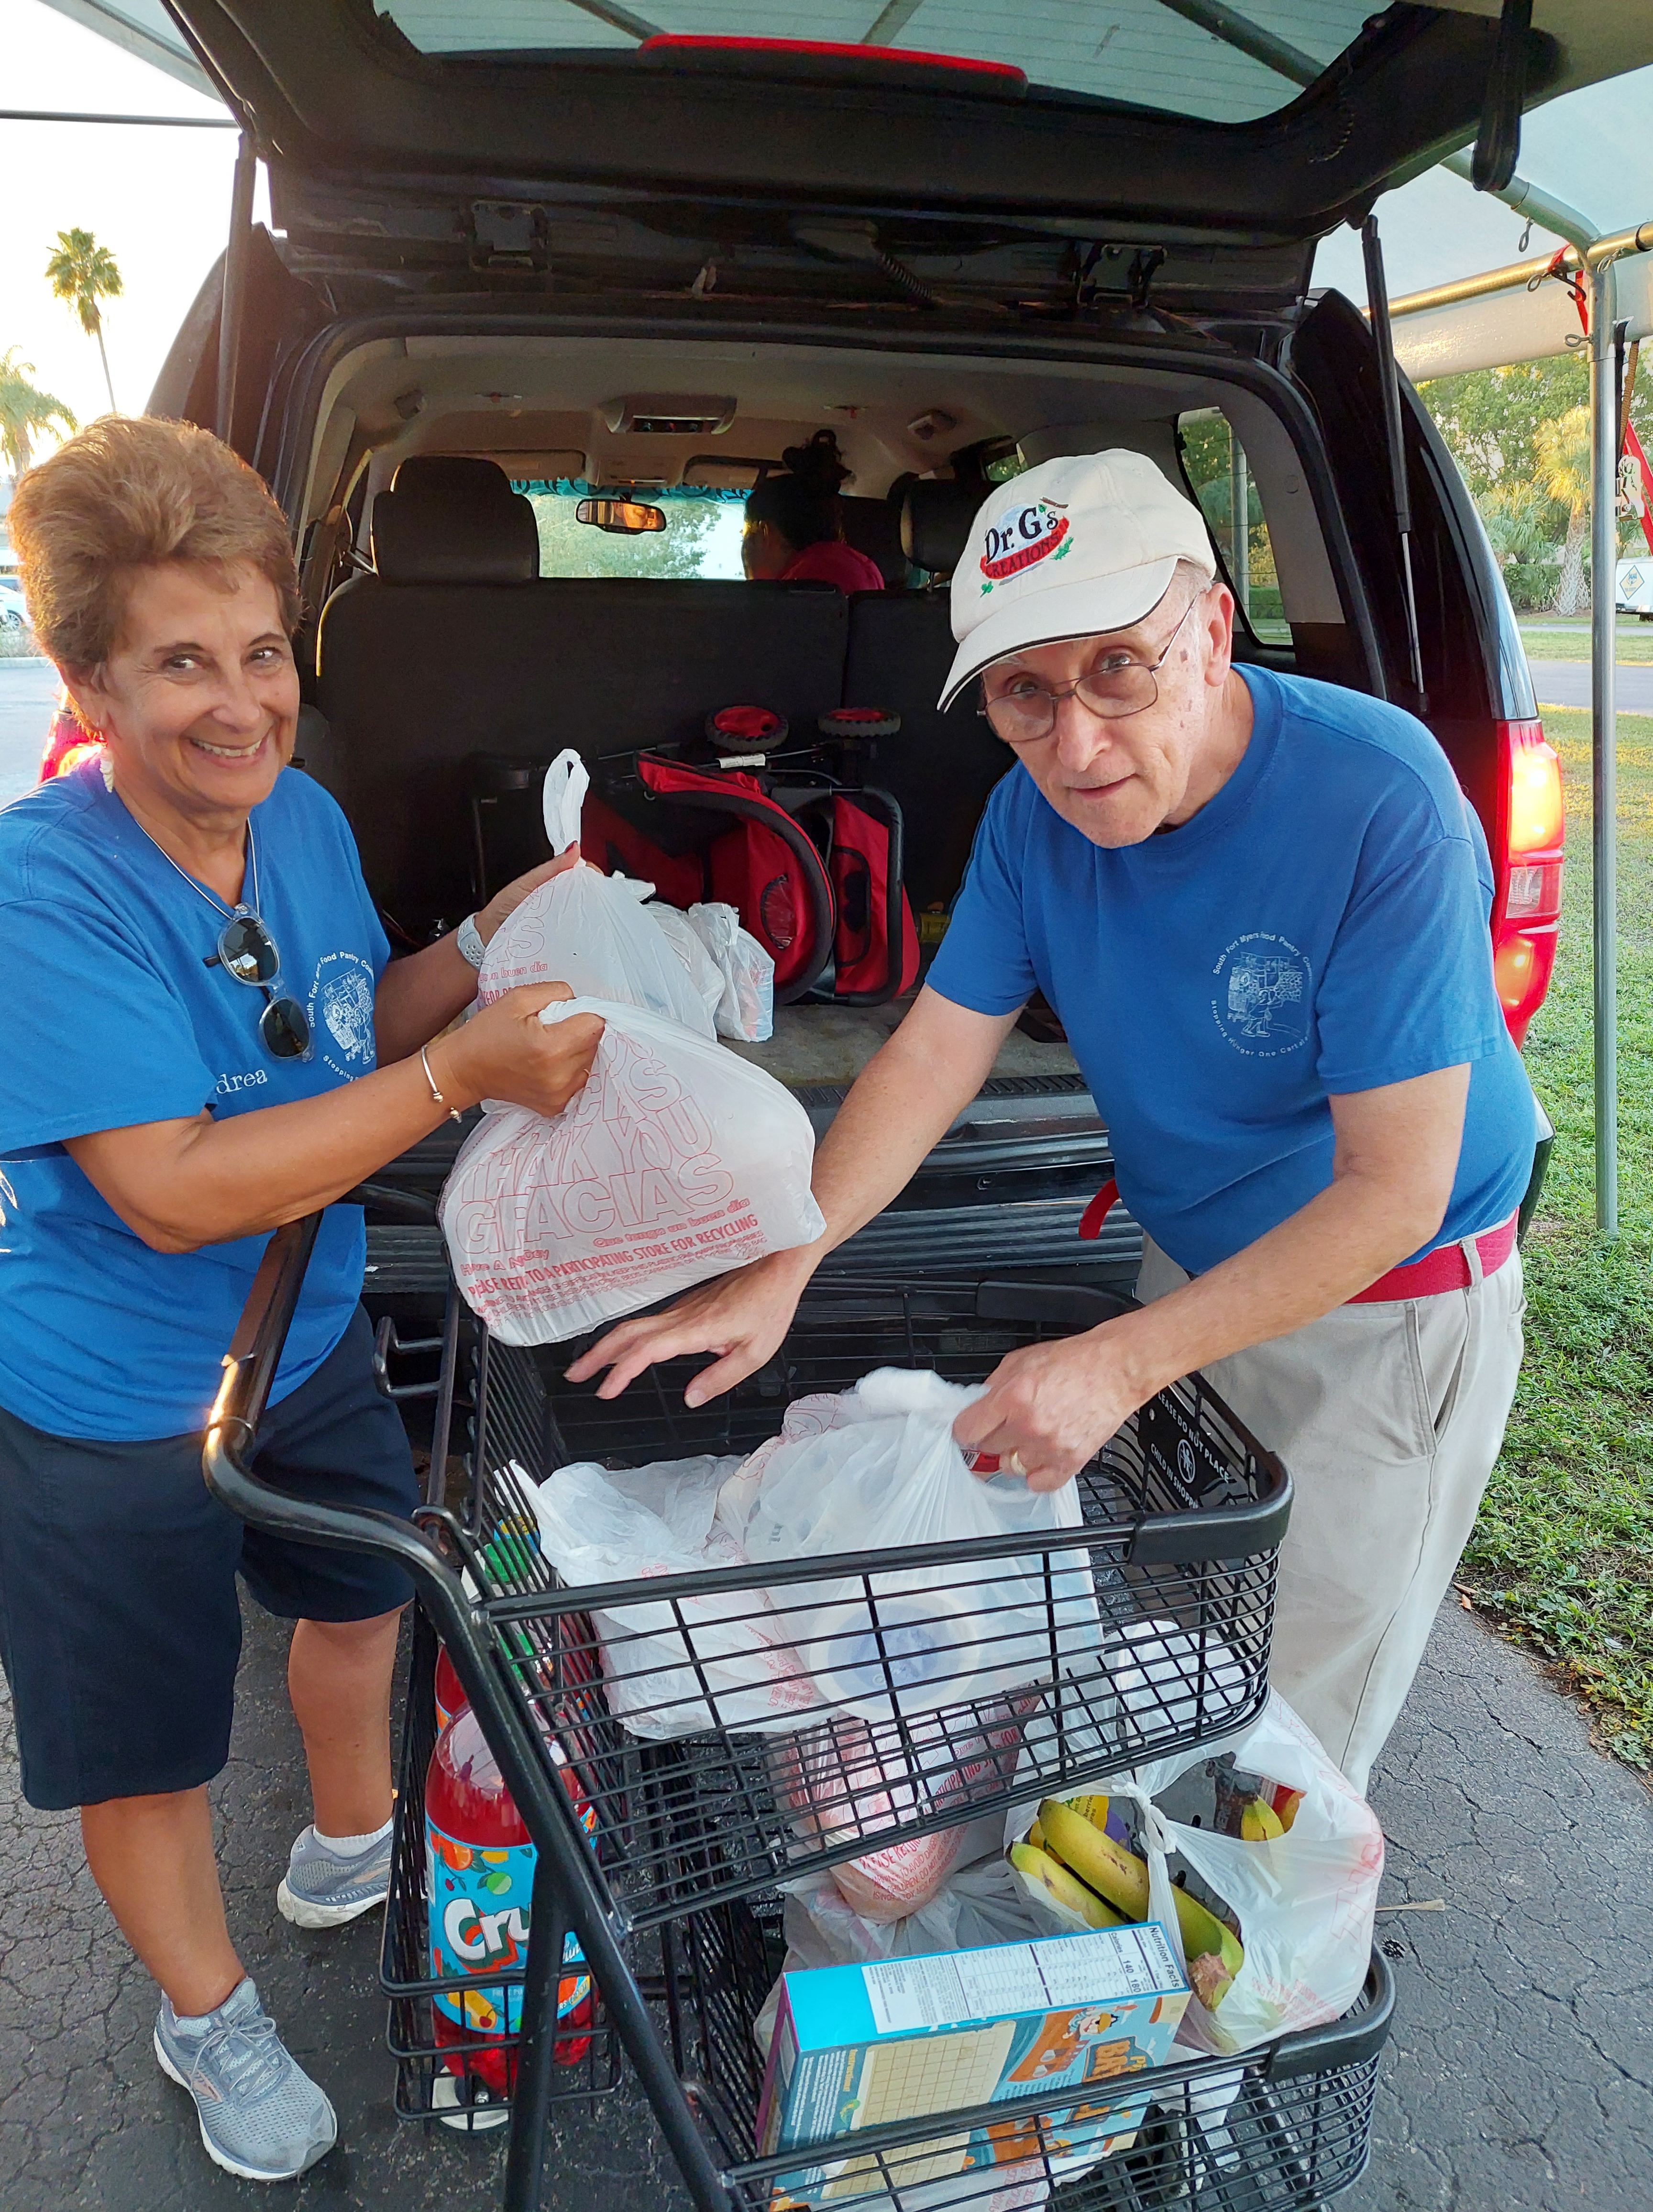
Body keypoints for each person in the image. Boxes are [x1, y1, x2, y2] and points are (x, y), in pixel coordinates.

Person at [572, 447, 1535, 1802]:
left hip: (1386, 1313)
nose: (1075, 742)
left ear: (1207, 632)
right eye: (1025, 693)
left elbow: (1394, 1193)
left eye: (1117, 671)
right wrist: (788, 1260)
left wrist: (1121, 1363)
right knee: (1164, 1643)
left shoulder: (1380, 800)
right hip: (1190, 1267)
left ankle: (1255, 2003)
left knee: (1294, 1731)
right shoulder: (1035, 819)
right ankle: (1107, 1978)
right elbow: (926, 1059)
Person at [0, 416, 603, 2183]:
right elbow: (173, 1189)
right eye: (180, 662)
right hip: (114, 1395)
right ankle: (210, 2014)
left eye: (259, 652)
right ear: (90, 678)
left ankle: (353, 1834)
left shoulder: (306, 813)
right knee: (153, 1749)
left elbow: (360, 1012)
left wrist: (485, 949)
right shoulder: (42, 887)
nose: (236, 703)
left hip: (311, 1330)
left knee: (359, 1600)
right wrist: (456, 1080)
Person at [742, 429, 885, 593]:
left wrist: (760, 581)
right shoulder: (849, 565)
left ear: (767, 533)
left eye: (749, 534)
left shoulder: (811, 582)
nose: (746, 546)